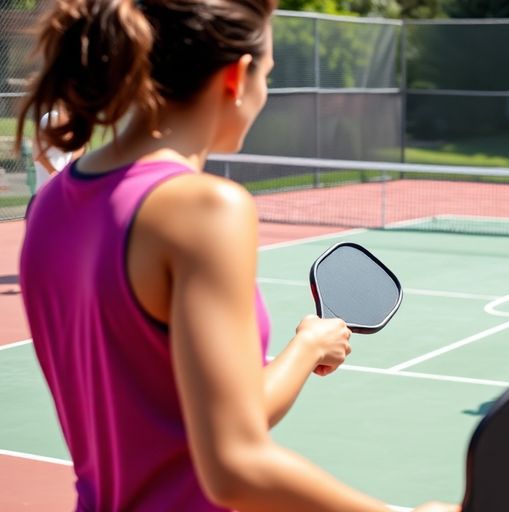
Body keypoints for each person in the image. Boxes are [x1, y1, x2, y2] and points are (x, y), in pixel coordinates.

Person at [17, 1, 453, 511]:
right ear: (237, 77)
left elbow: (162, 404)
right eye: (266, 75)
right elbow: (234, 464)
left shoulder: (48, 206)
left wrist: (307, 346)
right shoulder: (205, 209)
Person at [32, 108, 84, 192]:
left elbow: (78, 150)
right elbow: (38, 153)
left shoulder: (75, 124)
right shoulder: (51, 118)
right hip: (45, 192)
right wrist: (55, 174)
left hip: (63, 191)